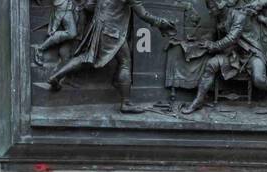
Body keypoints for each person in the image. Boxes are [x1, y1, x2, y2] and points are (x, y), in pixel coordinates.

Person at [46, 0, 176, 113]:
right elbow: (143, 14)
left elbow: (89, 5)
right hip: (112, 31)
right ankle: (126, 103)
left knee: (86, 57)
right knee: (125, 62)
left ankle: (56, 77)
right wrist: (161, 23)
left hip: (98, 26)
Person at [180, 0, 267, 114]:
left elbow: (232, 38)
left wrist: (214, 45)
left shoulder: (239, 16)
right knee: (211, 65)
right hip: (232, 54)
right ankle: (198, 100)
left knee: (259, 79)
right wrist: (201, 40)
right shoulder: (219, 17)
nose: (210, 11)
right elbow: (216, 35)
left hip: (250, 54)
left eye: (212, 8)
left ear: (220, 6)